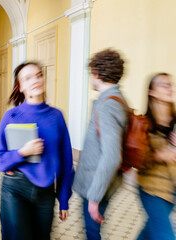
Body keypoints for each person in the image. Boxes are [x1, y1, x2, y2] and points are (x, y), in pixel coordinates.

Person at [0, 61, 74, 240]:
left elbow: (66, 162)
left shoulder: (56, 116)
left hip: (45, 192)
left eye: (38, 75)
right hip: (15, 190)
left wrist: (63, 199)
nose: (35, 80)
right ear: (20, 86)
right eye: (28, 78)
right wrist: (23, 152)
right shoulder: (11, 116)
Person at [72, 48, 128, 240]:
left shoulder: (107, 104)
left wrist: (94, 197)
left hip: (95, 185)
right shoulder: (117, 99)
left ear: (96, 73)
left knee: (92, 234)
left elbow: (112, 155)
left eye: (91, 74)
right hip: (101, 181)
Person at [136, 73, 176, 240]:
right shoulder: (144, 123)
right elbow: (136, 159)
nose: (169, 88)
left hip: (171, 190)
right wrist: (159, 155)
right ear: (152, 92)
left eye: (170, 84)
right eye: (163, 84)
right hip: (151, 190)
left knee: (150, 232)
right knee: (165, 235)